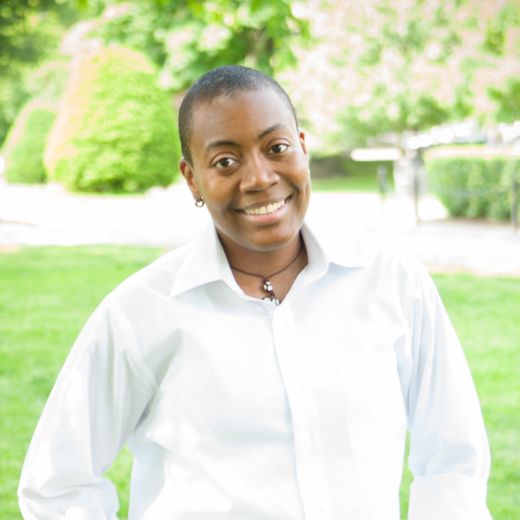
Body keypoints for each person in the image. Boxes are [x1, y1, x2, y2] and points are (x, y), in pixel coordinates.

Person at [18, 65, 492, 519]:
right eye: (225, 161)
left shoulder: (390, 280)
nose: (260, 178)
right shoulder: (139, 313)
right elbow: (59, 484)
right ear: (192, 179)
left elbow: (453, 457)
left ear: (303, 148)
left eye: (277, 147)